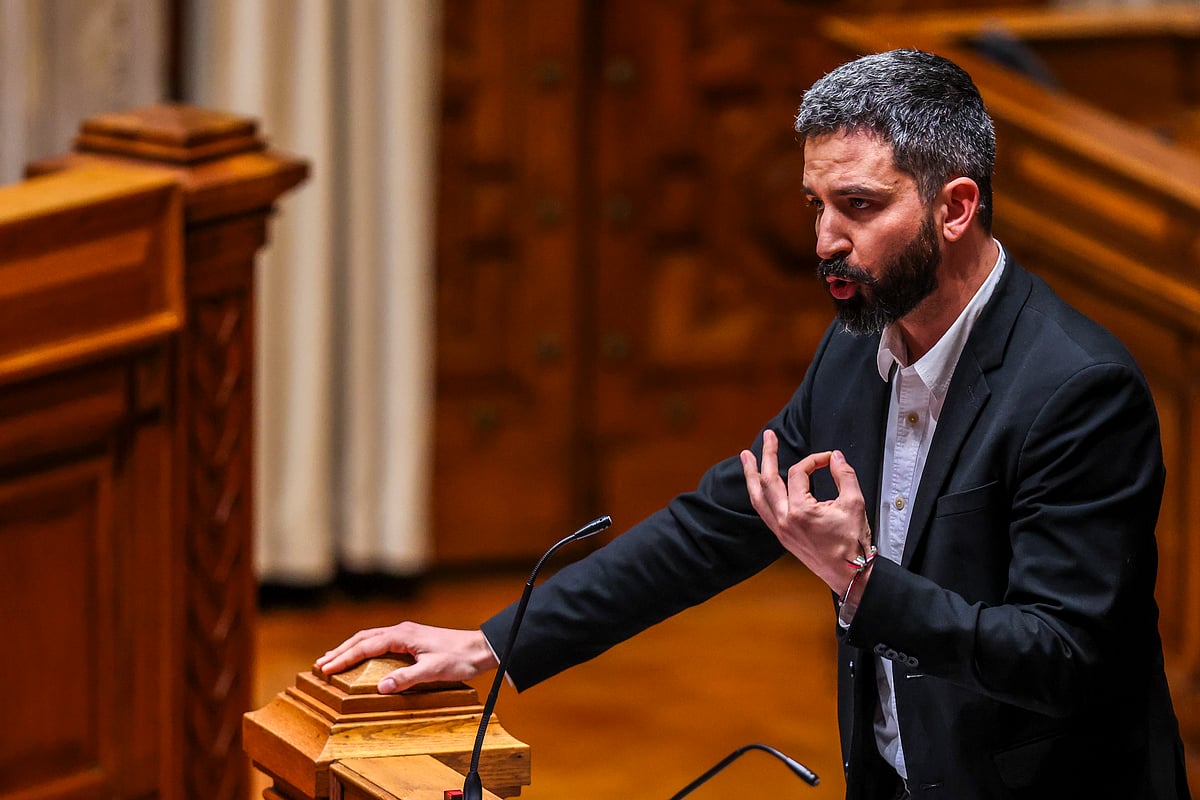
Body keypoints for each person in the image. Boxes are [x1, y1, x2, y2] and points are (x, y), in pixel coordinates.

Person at [317, 49, 1191, 799]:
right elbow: (715, 527)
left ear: (955, 207)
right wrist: (492, 644)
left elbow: (1059, 654)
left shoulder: (1079, 392)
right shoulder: (854, 353)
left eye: (857, 207)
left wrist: (857, 581)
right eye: (816, 206)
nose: (824, 241)